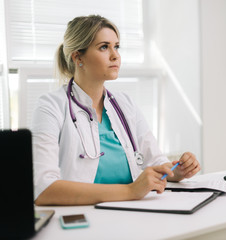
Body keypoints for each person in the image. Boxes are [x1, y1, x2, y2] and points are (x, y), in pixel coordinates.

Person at [32, 15, 200, 206]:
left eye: (116, 46)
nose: (115, 55)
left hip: (134, 210)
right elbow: (43, 189)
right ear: (78, 57)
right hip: (84, 215)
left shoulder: (125, 104)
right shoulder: (50, 107)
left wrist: (176, 171)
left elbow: (155, 163)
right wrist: (130, 191)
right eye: (104, 47)